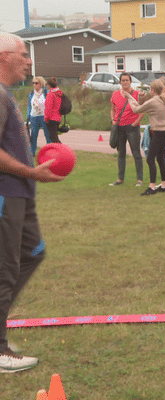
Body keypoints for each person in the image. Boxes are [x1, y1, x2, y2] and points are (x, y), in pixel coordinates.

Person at [0, 32, 64, 373]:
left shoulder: (8, 95)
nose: (28, 60)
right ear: (3, 57)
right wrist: (30, 171)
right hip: (5, 195)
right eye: (22, 54)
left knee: (33, 252)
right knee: (5, 270)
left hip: (21, 195)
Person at [122, 79, 165, 195]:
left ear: (153, 90)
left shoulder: (154, 101)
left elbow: (136, 109)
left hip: (159, 132)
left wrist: (130, 97)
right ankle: (164, 184)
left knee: (150, 158)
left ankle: (152, 187)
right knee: (160, 157)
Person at [109, 73, 145, 187]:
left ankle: (139, 179)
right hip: (119, 127)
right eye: (123, 80)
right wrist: (113, 120)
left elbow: (142, 111)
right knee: (121, 154)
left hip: (132, 127)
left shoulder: (137, 94)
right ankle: (120, 178)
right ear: (120, 82)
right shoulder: (115, 94)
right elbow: (112, 109)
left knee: (136, 153)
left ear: (130, 82)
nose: (125, 82)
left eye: (127, 80)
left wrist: (135, 124)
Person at [142, 76, 165, 190]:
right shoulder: (163, 99)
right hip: (164, 130)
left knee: (162, 157)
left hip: (163, 131)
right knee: (161, 157)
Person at [26, 76, 51, 155]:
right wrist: (28, 116)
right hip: (34, 116)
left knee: (47, 134)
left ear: (41, 84)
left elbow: (50, 105)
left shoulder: (46, 93)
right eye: (33, 83)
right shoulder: (31, 94)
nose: (34, 85)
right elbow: (29, 106)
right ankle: (32, 152)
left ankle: (50, 151)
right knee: (33, 135)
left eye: (36, 83)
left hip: (44, 116)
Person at [43, 77, 63, 144]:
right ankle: (58, 151)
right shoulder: (59, 93)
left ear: (49, 85)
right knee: (54, 137)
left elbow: (48, 107)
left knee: (53, 138)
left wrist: (46, 118)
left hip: (51, 118)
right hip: (58, 117)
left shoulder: (51, 94)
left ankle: (62, 151)